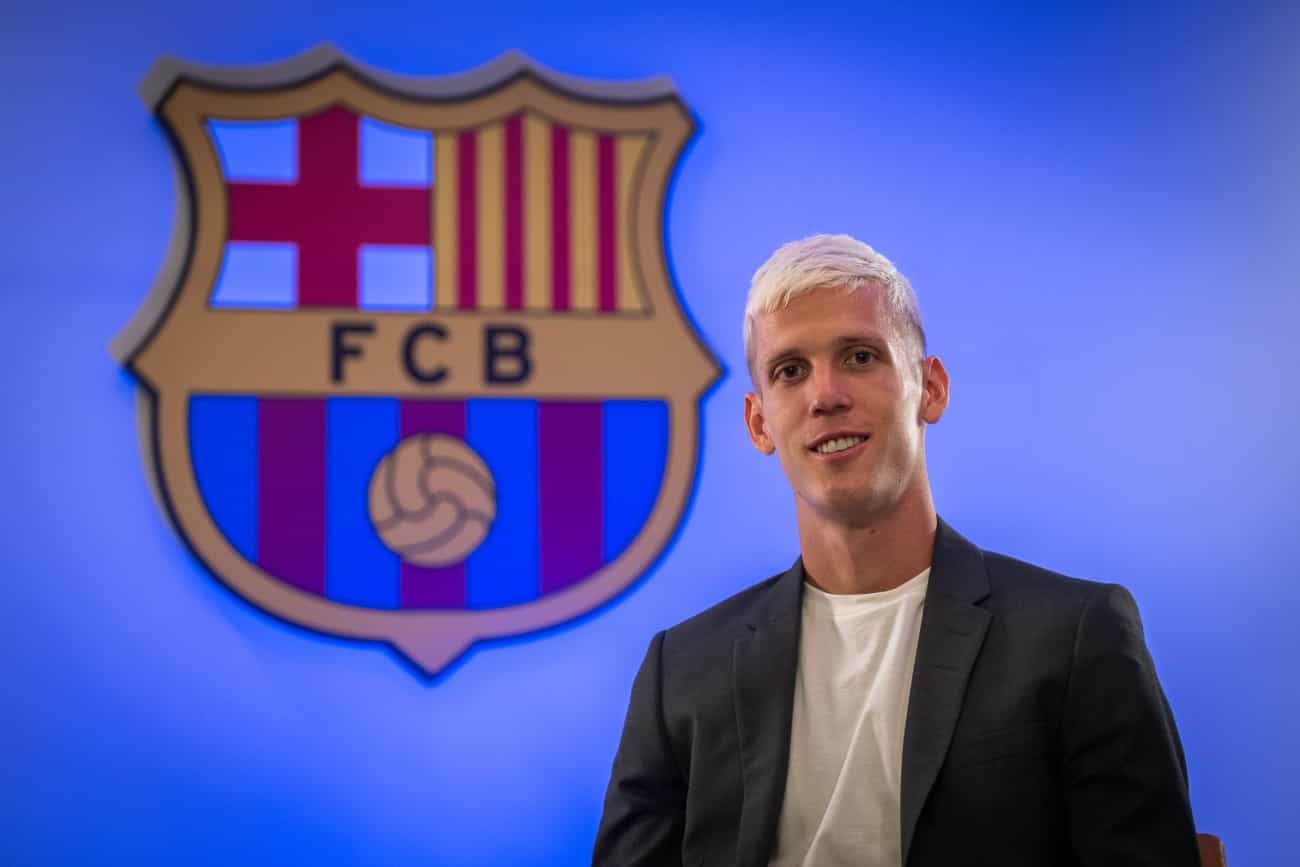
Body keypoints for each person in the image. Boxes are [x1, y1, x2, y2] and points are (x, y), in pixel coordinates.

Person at [591, 234, 1200, 867]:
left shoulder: (1076, 637)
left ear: (929, 388)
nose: (825, 395)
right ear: (758, 422)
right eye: (790, 371)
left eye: (859, 356)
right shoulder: (679, 672)